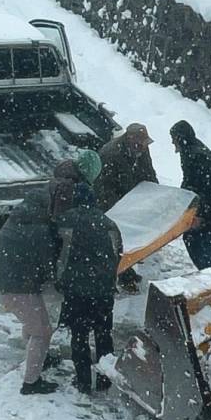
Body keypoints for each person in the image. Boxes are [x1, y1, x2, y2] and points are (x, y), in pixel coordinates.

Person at [54, 162, 123, 393]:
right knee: (104, 335)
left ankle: (83, 380)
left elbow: (58, 253)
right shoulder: (109, 224)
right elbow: (117, 255)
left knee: (80, 336)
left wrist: (61, 279)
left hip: (76, 291)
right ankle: (105, 378)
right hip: (103, 291)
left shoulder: (66, 220)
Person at [0, 186, 59, 395]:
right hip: (17, 287)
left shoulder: (17, 220)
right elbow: (48, 266)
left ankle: (38, 356)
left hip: (4, 282)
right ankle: (31, 383)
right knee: (42, 331)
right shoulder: (39, 229)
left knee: (34, 322)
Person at [170, 120, 211, 270]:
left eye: (174, 139)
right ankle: (209, 275)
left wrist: (200, 215)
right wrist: (180, 200)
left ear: (180, 138)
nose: (173, 144)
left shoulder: (197, 156)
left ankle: (210, 278)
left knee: (200, 242)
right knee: (200, 241)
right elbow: (189, 182)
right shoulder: (189, 150)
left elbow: (206, 190)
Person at [95, 122, 158, 210]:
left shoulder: (141, 147)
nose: (143, 148)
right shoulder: (111, 155)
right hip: (118, 202)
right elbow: (105, 190)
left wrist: (156, 197)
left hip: (133, 198)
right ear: (130, 140)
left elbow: (149, 173)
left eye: (145, 144)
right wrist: (122, 209)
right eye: (140, 145)